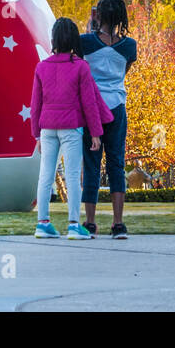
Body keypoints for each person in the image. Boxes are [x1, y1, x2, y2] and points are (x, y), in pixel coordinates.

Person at [30, 17, 110, 239]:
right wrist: (96, 132)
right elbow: (89, 103)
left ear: (54, 38)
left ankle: (42, 223)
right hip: (71, 127)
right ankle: (74, 225)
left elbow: (35, 103)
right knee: (73, 176)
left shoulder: (42, 66)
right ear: (74, 38)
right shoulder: (81, 67)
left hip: (47, 127)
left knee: (45, 175)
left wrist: (35, 133)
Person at [81, 0, 137, 240]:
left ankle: (90, 223)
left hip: (91, 108)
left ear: (98, 16)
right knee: (117, 163)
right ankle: (118, 223)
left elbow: (81, 69)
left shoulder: (84, 43)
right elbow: (123, 73)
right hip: (116, 107)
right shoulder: (129, 46)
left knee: (91, 164)